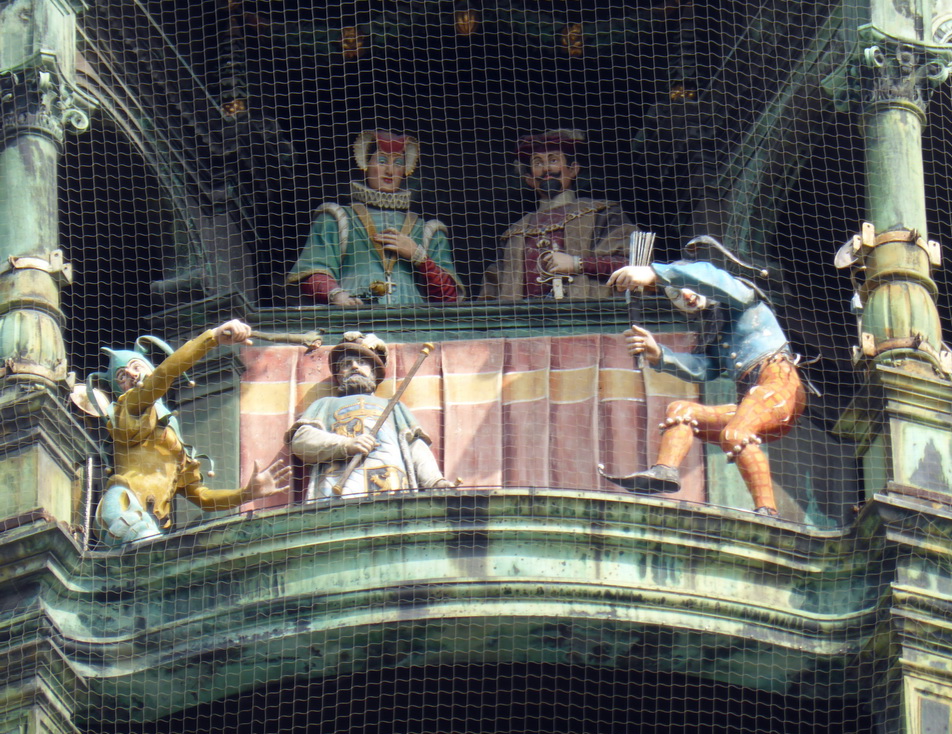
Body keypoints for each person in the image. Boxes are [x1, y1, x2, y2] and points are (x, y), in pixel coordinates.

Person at [602, 258, 805, 517]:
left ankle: (767, 511)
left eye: (687, 286)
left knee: (735, 433)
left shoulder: (740, 297)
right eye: (674, 295)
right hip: (754, 401)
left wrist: (655, 274)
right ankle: (664, 471)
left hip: (779, 384)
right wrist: (660, 355)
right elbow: (705, 368)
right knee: (681, 411)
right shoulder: (715, 332)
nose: (685, 296)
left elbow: (711, 277)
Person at [91, 320, 291, 545]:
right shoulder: (130, 406)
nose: (131, 375)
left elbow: (203, 497)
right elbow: (165, 374)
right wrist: (211, 338)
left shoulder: (174, 446)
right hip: (125, 509)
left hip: (150, 522)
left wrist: (246, 494)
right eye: (122, 376)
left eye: (136, 367)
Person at [287, 130, 463, 306]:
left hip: (413, 320)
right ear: (366, 164)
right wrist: (336, 295)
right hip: (354, 315)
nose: (390, 170)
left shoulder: (427, 230)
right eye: (381, 161)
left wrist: (419, 257)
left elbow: (448, 298)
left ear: (405, 170)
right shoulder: (336, 219)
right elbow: (314, 272)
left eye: (398, 163)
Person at [286, 331, 453, 498]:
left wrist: (435, 481)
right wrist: (346, 444)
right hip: (340, 488)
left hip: (390, 487)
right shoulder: (325, 404)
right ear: (338, 375)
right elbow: (301, 440)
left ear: (374, 372)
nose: (354, 366)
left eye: (361, 362)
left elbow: (414, 446)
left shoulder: (393, 406)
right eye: (346, 364)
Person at [478, 129, 636, 300]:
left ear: (573, 169)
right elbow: (491, 290)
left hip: (588, 316)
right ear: (529, 178)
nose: (546, 169)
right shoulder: (514, 234)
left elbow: (631, 265)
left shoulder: (602, 213)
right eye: (537, 163)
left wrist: (577, 264)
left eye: (553, 160)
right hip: (525, 322)